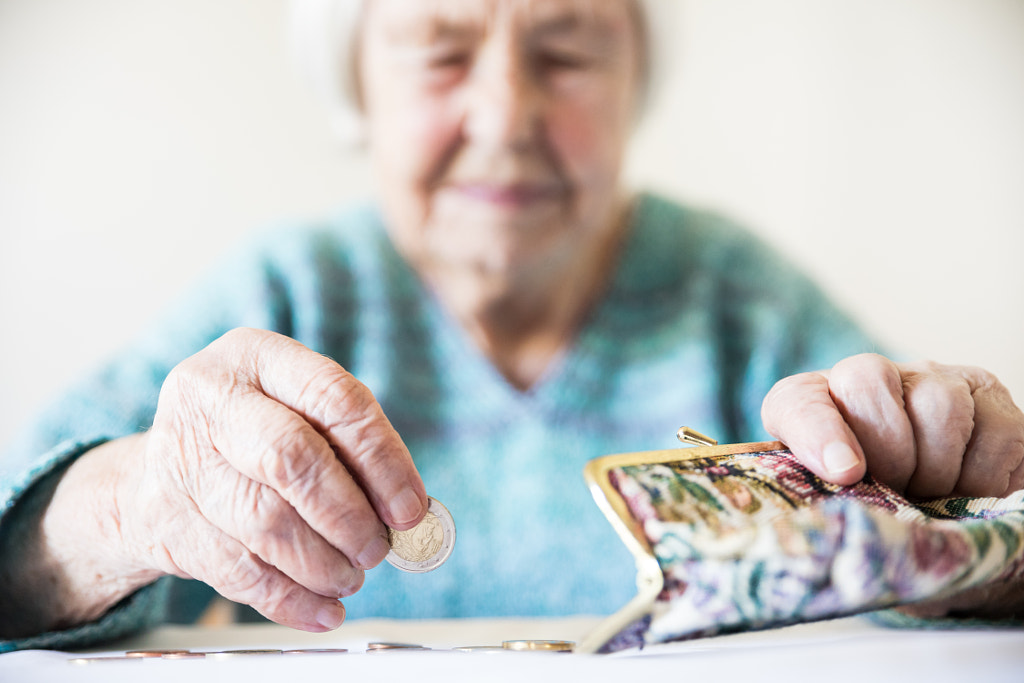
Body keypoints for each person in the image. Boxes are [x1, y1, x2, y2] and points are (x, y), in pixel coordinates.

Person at [1, 0, 1022, 652]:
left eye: (568, 51)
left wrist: (971, 521)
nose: (503, 114)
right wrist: (126, 507)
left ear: (633, 87)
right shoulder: (286, 291)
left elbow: (950, 532)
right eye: (440, 52)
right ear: (360, 87)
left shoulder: (732, 296)